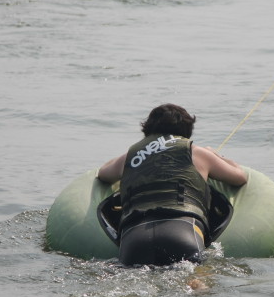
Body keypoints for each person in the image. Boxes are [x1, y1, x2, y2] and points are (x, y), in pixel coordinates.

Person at [98, 104, 247, 267]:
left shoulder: (129, 157)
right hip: (183, 231)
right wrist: (215, 154)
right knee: (198, 284)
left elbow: (103, 174)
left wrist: (133, 153)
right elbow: (239, 177)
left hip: (134, 237)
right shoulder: (197, 152)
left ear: (146, 130)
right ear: (187, 131)